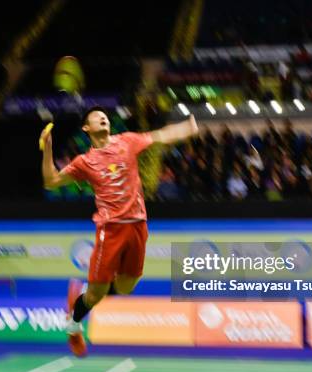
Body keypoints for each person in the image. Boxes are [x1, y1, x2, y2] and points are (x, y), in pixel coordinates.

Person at [40, 106, 198, 357]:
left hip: (137, 225)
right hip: (110, 230)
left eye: (104, 115)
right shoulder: (85, 162)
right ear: (87, 128)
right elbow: (51, 182)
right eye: (96, 116)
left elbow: (160, 136)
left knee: (126, 287)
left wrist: (187, 127)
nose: (102, 117)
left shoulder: (128, 141)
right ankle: (73, 324)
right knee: (95, 295)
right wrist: (47, 147)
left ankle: (84, 295)